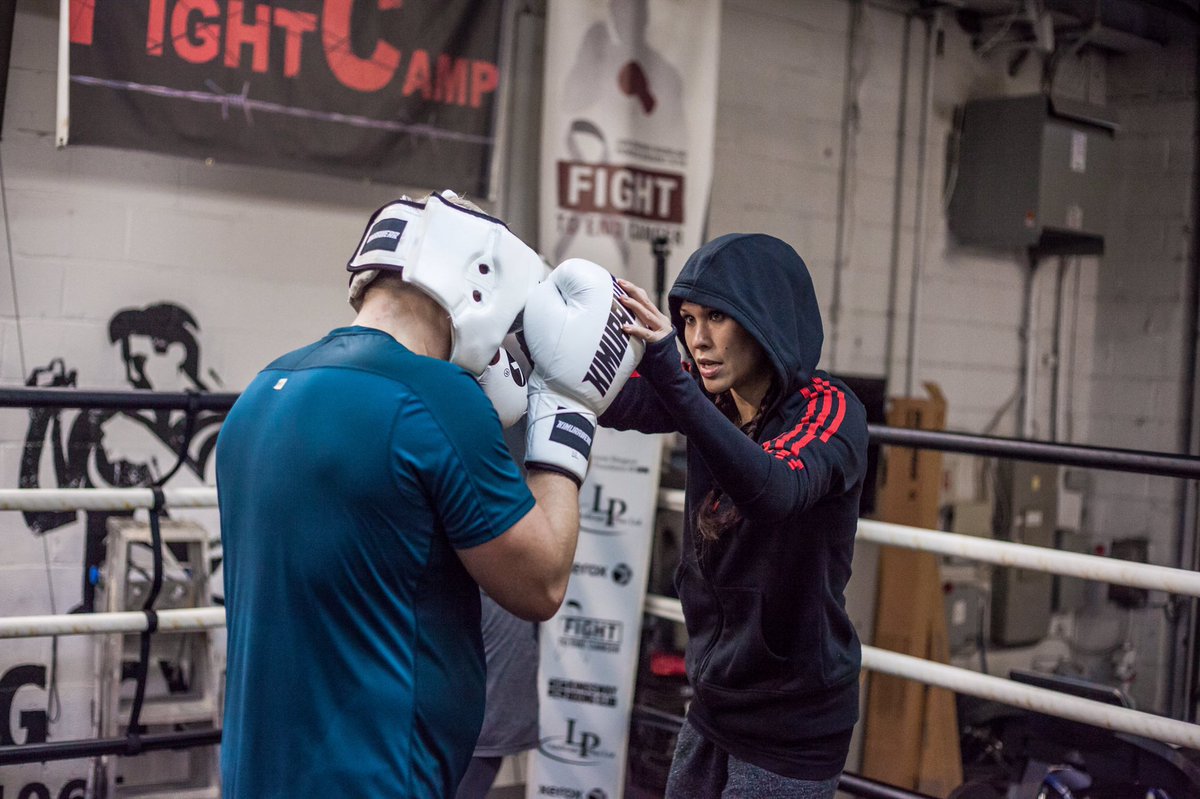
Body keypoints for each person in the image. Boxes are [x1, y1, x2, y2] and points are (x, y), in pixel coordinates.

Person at [215, 192, 641, 797]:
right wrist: (570, 413)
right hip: (374, 774)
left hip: (257, 769)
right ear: (481, 278)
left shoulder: (265, 387)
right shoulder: (435, 396)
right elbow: (540, 583)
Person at [602, 233, 868, 798]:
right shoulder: (710, 397)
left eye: (717, 318)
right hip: (715, 701)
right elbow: (607, 397)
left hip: (792, 723)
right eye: (688, 320)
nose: (697, 340)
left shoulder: (830, 409)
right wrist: (516, 339)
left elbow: (773, 489)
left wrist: (674, 380)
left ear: (763, 318)